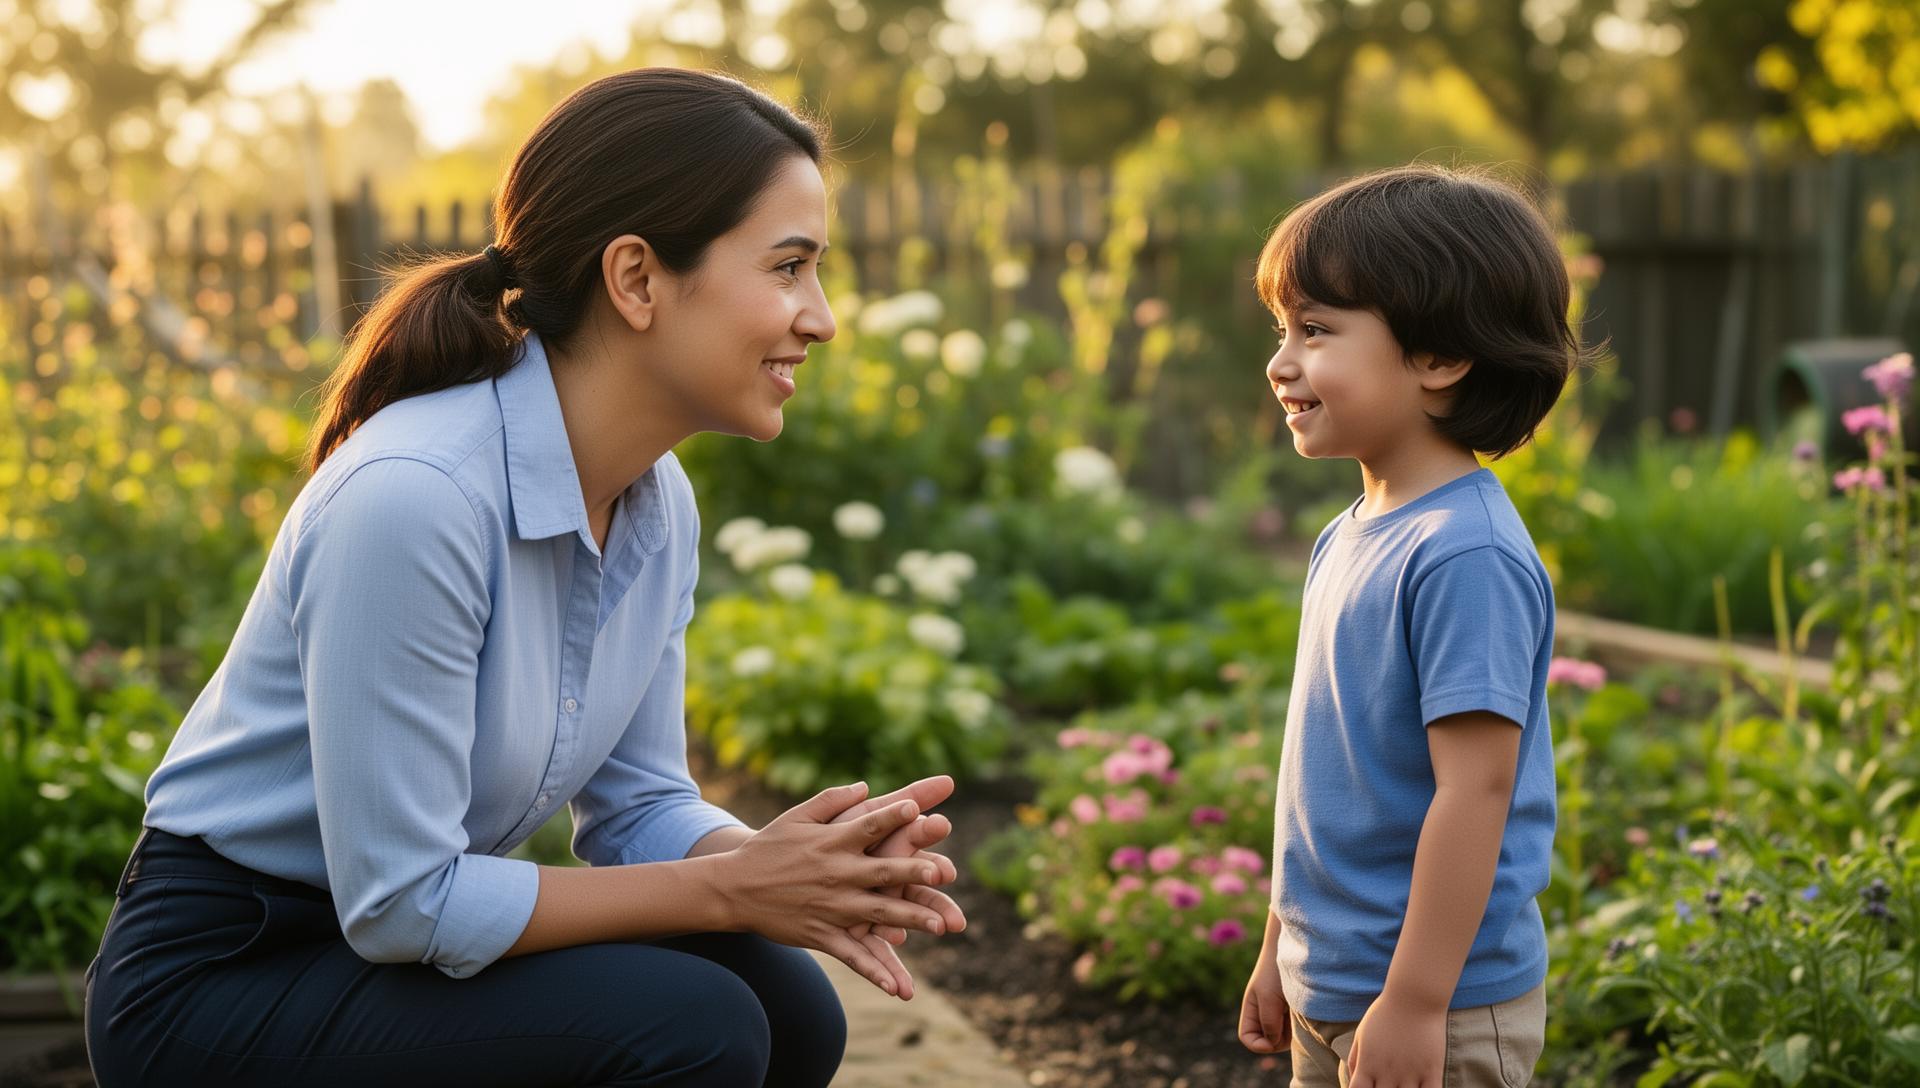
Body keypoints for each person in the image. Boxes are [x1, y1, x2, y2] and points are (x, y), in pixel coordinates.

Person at [83, 68, 966, 1088]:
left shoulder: (653, 496)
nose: (821, 317)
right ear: (636, 278)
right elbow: (405, 899)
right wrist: (729, 892)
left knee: (788, 1006)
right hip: (224, 981)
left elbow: (636, 806)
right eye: (788, 266)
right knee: (695, 1021)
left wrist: (782, 865)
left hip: (382, 951)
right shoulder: (415, 497)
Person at [1234, 165, 1589, 1087]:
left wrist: (1419, 1001)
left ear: (1438, 357)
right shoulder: (1347, 536)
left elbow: (1475, 792)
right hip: (1340, 984)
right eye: (1283, 330)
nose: (1281, 362)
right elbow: (1323, 777)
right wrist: (1280, 947)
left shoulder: (1465, 554)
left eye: (1316, 331)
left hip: (1445, 1005)